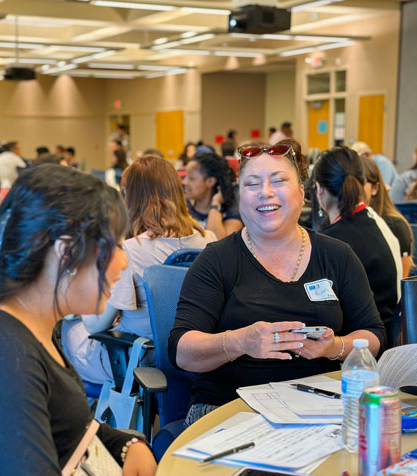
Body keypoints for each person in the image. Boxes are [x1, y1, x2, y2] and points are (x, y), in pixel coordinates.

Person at [0, 164, 157, 475]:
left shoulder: (28, 325)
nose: (123, 262)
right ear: (66, 252)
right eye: (115, 246)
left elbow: (65, 427)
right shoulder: (0, 355)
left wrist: (125, 445)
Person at [168, 139, 385, 425]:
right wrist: (240, 342)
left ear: (302, 193)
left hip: (319, 405)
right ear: (240, 196)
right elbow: (181, 351)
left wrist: (335, 347)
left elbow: (373, 334)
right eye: (252, 184)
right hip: (230, 406)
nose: (265, 193)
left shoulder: (338, 256)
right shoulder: (216, 260)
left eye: (279, 180)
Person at [62, 155, 216, 384]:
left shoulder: (131, 250)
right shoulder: (209, 241)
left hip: (138, 361)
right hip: (193, 358)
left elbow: (97, 324)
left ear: (131, 197)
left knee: (66, 328)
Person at [313, 146, 402, 340]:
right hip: (389, 342)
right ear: (362, 184)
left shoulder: (330, 243)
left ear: (319, 189)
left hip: (357, 351)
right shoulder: (378, 223)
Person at [361, 156, 413, 277]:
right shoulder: (340, 223)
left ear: (375, 188)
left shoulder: (395, 226)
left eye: (360, 182)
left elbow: (401, 283)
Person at [184, 152, 242, 240]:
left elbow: (218, 245)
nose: (185, 182)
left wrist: (216, 204)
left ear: (210, 182)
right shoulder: (184, 207)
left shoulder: (230, 209)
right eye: (186, 177)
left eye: (191, 178)